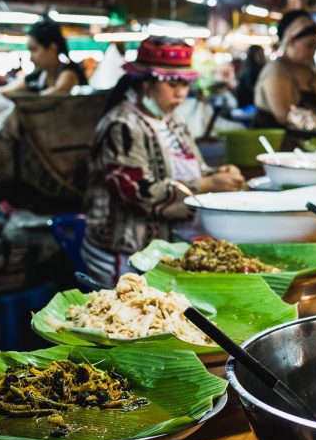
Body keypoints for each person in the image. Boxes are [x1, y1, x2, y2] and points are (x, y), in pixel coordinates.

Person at [81, 37, 245, 285]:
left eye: (185, 84)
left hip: (164, 251)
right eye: (172, 84)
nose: (181, 92)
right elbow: (137, 193)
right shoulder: (122, 127)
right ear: (146, 84)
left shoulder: (172, 121)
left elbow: (195, 169)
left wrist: (219, 172)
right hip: (124, 255)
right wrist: (208, 184)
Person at [252, 10, 316, 127]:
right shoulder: (276, 71)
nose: (313, 51)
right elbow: (284, 117)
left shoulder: (308, 70)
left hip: (306, 141)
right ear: (292, 41)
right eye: (309, 46)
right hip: (275, 142)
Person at [2, 19, 87, 95]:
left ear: (52, 48)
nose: (31, 58)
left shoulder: (69, 72)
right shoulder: (39, 75)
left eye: (34, 50)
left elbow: (57, 92)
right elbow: (8, 90)